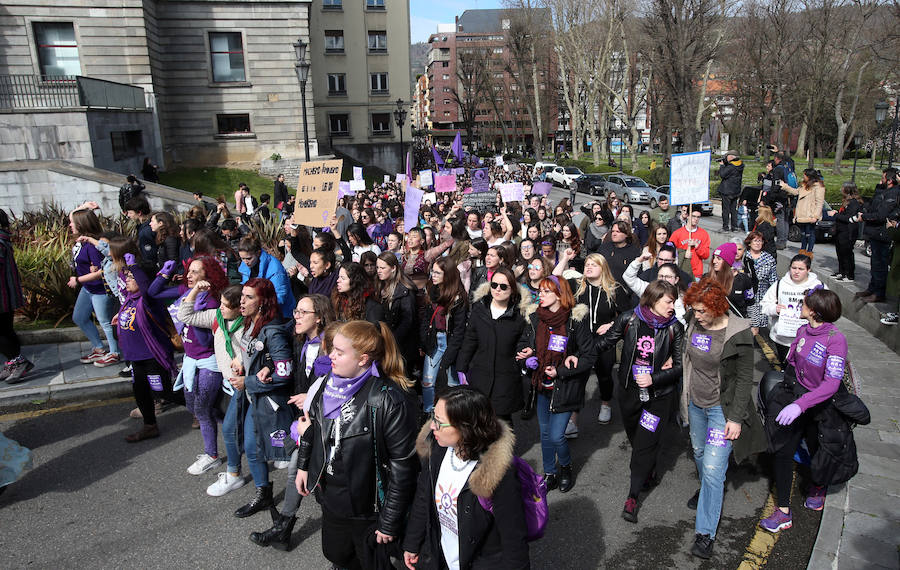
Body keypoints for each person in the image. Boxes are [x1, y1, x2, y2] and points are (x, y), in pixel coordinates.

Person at [295, 320, 419, 570]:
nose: (331, 355)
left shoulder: (386, 399)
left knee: (371, 563)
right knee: (336, 554)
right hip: (331, 498)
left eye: (340, 352)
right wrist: (303, 465)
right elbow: (315, 429)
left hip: (366, 508)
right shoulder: (328, 383)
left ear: (362, 359)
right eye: (333, 349)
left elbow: (403, 467)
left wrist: (390, 520)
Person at [759, 288, 856, 534]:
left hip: (820, 407)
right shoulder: (802, 331)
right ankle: (783, 511)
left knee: (816, 449)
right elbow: (791, 365)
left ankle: (818, 485)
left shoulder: (836, 339)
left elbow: (832, 384)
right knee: (782, 453)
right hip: (794, 399)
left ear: (813, 311)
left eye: (803, 304)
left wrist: (802, 404)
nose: (799, 306)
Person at [681, 278, 764, 559]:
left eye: (702, 311)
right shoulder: (695, 323)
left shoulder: (739, 333)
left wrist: (736, 418)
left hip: (721, 409)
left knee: (714, 469)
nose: (697, 316)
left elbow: (744, 379)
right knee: (700, 454)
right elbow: (687, 357)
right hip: (695, 403)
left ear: (717, 307)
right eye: (694, 310)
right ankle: (708, 490)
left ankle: (705, 533)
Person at [402, 386, 529, 570]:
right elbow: (424, 496)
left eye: (439, 422)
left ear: (465, 428)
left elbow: (514, 539)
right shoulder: (437, 448)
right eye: (433, 417)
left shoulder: (497, 473)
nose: (431, 426)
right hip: (441, 558)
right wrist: (412, 542)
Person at [249, 294, 335, 550]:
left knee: (305, 472)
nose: (295, 316)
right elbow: (272, 349)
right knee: (296, 468)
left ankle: (287, 526)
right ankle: (285, 526)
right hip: (306, 420)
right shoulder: (302, 341)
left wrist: (309, 396)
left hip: (323, 421)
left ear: (319, 317)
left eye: (302, 312)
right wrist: (267, 366)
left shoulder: (330, 345)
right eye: (295, 311)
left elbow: (338, 382)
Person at [595, 280, 684, 522]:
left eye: (674, 301)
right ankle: (649, 468)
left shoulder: (675, 328)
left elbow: (679, 367)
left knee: (644, 444)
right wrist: (578, 352)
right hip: (629, 392)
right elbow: (605, 344)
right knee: (636, 438)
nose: (672, 306)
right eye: (668, 301)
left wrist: (654, 378)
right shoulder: (629, 319)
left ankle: (632, 498)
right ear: (653, 300)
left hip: (658, 397)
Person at [519, 276, 596, 493]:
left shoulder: (574, 320)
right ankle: (550, 473)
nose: (540, 296)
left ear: (560, 295)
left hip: (565, 386)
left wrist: (562, 370)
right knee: (544, 434)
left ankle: (566, 468)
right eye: (540, 291)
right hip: (541, 385)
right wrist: (528, 355)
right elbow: (526, 342)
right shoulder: (535, 318)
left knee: (556, 435)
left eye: (545, 292)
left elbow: (589, 356)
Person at [231, 278, 295, 519]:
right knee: (251, 447)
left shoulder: (274, 331)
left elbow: (284, 373)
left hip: (268, 400)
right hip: (254, 397)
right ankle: (263, 493)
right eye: (242, 296)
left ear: (263, 302)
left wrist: (248, 381)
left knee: (288, 451)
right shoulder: (251, 322)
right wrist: (243, 366)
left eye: (248, 297)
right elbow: (257, 355)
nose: (242, 301)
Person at [177, 283, 248, 496]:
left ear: (239, 308)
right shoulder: (217, 317)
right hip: (228, 383)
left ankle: (235, 473)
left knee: (232, 428)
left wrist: (242, 359)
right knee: (230, 424)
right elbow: (185, 315)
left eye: (227, 306)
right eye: (221, 303)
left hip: (243, 384)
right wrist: (195, 291)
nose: (222, 308)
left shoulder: (247, 325)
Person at [167, 257, 229, 475]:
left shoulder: (212, 301)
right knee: (195, 407)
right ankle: (233, 426)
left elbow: (188, 316)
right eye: (188, 271)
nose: (189, 276)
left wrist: (194, 294)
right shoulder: (187, 292)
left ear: (207, 276)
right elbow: (154, 294)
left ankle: (212, 455)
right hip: (190, 362)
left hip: (207, 363)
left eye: (195, 272)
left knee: (202, 410)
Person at [116, 254, 185, 442]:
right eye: (128, 277)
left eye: (132, 277)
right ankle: (150, 426)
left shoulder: (149, 300)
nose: (128, 281)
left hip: (152, 357)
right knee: (140, 392)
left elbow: (146, 287)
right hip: (136, 358)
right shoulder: (130, 298)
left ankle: (200, 409)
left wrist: (135, 266)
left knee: (164, 392)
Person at [456, 267, 530, 425]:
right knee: (478, 418)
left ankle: (502, 450)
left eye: (503, 286)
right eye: (494, 285)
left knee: (502, 421)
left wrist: (526, 355)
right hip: (480, 374)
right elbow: (470, 339)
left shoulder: (519, 316)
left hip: (506, 376)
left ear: (512, 289)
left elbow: (522, 343)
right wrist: (461, 367)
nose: (497, 289)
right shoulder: (479, 309)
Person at [68, 206, 120, 367]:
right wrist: (83, 208)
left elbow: (102, 271)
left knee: (105, 321)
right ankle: (98, 347)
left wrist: (78, 279)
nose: (70, 225)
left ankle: (114, 352)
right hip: (88, 288)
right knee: (79, 317)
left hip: (99, 289)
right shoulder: (83, 241)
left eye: (72, 223)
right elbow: (72, 216)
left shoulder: (93, 245)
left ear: (82, 225)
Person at [421, 258, 468, 413]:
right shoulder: (431, 290)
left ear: (447, 275)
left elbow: (459, 331)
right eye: (432, 271)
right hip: (434, 340)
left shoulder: (458, 297)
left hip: (451, 341)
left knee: (452, 382)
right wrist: (423, 341)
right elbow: (426, 318)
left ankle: (454, 415)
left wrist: (448, 358)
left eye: (437, 272)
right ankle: (428, 412)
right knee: (428, 381)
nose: (433, 275)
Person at [760, 254, 824, 363]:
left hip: (809, 338)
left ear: (808, 270)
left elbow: (826, 308)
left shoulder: (818, 286)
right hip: (783, 338)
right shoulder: (780, 284)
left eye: (801, 269)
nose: (796, 272)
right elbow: (764, 305)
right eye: (794, 268)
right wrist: (775, 309)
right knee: (786, 368)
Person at [854, 167, 900, 303]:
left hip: (883, 232)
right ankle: (872, 287)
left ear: (890, 180)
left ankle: (879, 292)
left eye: (884, 177)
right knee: (875, 263)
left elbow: (881, 214)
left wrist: (865, 217)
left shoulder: (893, 194)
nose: (882, 179)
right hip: (876, 232)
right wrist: (879, 187)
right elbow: (876, 203)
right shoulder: (885, 191)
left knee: (881, 264)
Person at [0, 209, 33, 383]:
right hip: (6, 295)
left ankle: (18, 361)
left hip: (2, 296)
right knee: (6, 330)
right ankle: (13, 361)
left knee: (3, 331)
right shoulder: (3, 239)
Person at [375, 252, 420, 371]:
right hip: (387, 343)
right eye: (377, 267)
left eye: (383, 268)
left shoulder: (405, 290)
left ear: (393, 268)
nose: (379, 270)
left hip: (402, 346)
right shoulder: (380, 285)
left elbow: (408, 320)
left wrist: (391, 341)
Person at [237, 235, 296, 317]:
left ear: (258, 253)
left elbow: (280, 296)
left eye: (248, 258)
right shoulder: (245, 266)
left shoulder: (275, 268)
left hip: (280, 314)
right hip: (257, 312)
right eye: (242, 259)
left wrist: (259, 305)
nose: (245, 262)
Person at [624, 254, 688, 324]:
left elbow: (684, 322)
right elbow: (629, 277)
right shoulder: (650, 290)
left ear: (676, 279)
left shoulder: (684, 297)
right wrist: (639, 261)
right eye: (661, 276)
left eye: (668, 277)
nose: (664, 279)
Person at [780, 168, 825, 259]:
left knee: (810, 233)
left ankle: (809, 251)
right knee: (803, 233)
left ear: (809, 176)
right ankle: (803, 249)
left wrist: (815, 216)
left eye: (804, 175)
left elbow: (819, 203)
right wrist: (784, 186)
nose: (803, 177)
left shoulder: (818, 187)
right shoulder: (804, 186)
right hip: (802, 213)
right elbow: (795, 192)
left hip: (810, 214)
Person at [704, 242, 754, 319]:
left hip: (736, 325)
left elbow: (751, 304)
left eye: (719, 259)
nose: (714, 261)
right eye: (714, 257)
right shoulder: (707, 278)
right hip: (713, 322)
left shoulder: (743, 280)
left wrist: (754, 325)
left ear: (728, 262)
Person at [743, 231, 778, 336]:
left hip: (762, 295)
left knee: (759, 327)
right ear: (749, 243)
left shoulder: (769, 259)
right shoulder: (743, 257)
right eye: (755, 241)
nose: (758, 243)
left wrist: (775, 296)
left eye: (760, 241)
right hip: (746, 294)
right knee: (745, 322)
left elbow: (773, 279)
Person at [827, 182, 863, 282]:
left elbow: (848, 218)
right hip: (841, 231)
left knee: (847, 253)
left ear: (847, 190)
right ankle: (841, 271)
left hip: (848, 232)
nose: (841, 189)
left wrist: (835, 214)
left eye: (843, 188)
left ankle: (849, 274)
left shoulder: (854, 203)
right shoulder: (846, 202)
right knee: (840, 252)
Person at [598, 220, 641, 298]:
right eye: (613, 231)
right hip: (602, 290)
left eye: (618, 231)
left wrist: (627, 292)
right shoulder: (604, 247)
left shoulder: (634, 252)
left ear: (626, 234)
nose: (614, 234)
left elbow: (637, 274)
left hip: (624, 293)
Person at [671, 209, 710, 279]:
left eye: (698, 217)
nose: (696, 219)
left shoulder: (704, 234)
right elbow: (671, 253)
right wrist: (683, 254)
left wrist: (698, 247)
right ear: (688, 216)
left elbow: (706, 255)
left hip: (696, 274)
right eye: (694, 216)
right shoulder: (677, 233)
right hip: (681, 271)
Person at [717, 151, 744, 232]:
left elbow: (722, 174)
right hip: (735, 191)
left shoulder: (731, 167)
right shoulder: (740, 165)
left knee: (725, 210)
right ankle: (734, 227)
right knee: (733, 210)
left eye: (727, 156)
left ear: (732, 157)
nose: (726, 158)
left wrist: (722, 166)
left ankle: (725, 227)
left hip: (727, 191)